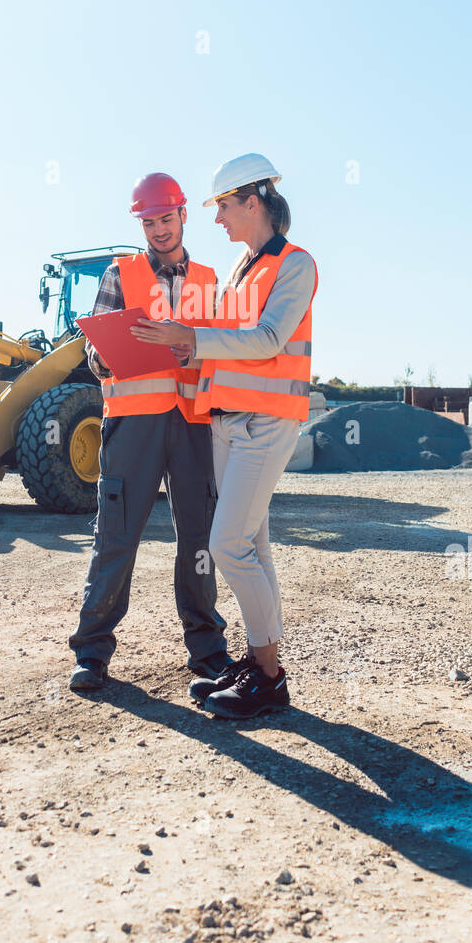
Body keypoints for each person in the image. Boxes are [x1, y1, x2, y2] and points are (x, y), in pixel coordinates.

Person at [131, 153, 317, 719]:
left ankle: (269, 677)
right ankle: (262, 668)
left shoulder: (294, 265)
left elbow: (267, 339)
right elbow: (217, 339)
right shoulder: (240, 270)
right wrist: (177, 339)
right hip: (228, 422)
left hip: (265, 421)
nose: (217, 220)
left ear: (252, 202)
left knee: (225, 546)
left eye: (223, 208)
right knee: (252, 547)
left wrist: (191, 335)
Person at [68, 172, 232, 692]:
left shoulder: (211, 281)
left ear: (183, 215)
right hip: (134, 426)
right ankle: (92, 654)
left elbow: (228, 347)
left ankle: (207, 650)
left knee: (200, 540)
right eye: (149, 222)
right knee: (115, 537)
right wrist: (118, 349)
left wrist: (194, 346)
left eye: (167, 218)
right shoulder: (120, 276)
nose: (159, 230)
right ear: (140, 223)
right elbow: (93, 357)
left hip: (193, 426)